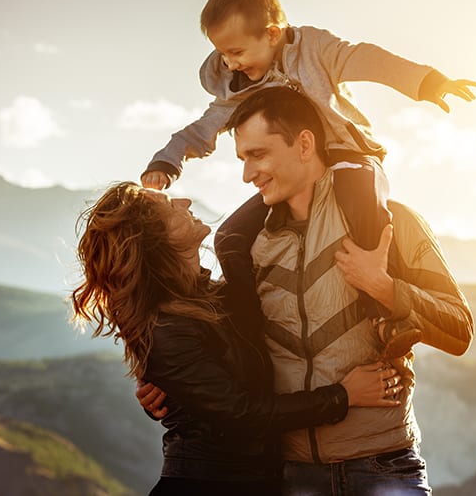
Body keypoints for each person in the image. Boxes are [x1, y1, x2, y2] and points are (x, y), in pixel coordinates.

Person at [140, 86, 475, 495]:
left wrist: (384, 286)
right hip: (290, 475)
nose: (247, 174)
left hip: (382, 467)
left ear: (304, 145)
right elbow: (220, 339)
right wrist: (168, 388)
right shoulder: (249, 247)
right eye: (243, 158)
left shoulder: (392, 223)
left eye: (258, 155)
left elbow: (460, 331)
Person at [140, 0, 476, 347]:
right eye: (223, 54)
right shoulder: (239, 87)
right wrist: (167, 161)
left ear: (272, 34)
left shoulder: (314, 50)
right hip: (283, 378)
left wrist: (426, 82)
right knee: (229, 235)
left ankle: (380, 313)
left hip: (349, 155)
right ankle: (247, 329)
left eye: (237, 52)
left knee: (357, 191)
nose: (230, 63)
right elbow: (205, 126)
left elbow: (364, 59)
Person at [72, 182, 407, 495]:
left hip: (256, 480)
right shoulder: (166, 327)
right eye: (169, 207)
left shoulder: (215, 296)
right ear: (154, 238)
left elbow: (273, 190)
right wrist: (343, 396)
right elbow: (242, 415)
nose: (185, 201)